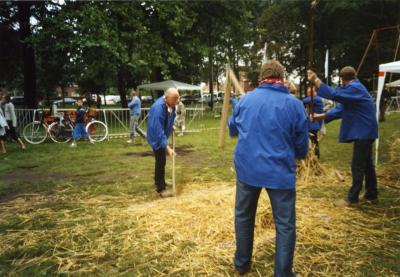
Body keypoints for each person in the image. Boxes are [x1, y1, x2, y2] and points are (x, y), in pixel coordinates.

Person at [228, 60, 309, 276]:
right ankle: (282, 273)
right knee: (285, 224)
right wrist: (299, 156)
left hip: (248, 169)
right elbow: (302, 142)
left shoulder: (246, 101)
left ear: (261, 77)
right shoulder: (294, 104)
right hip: (279, 170)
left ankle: (241, 264)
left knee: (244, 216)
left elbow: (232, 128)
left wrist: (237, 110)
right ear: (281, 78)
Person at [307, 66, 378, 207]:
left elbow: (335, 94)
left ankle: (352, 199)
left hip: (363, 132)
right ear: (354, 76)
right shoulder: (355, 89)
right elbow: (341, 109)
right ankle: (372, 194)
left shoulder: (354, 88)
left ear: (342, 79)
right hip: (366, 131)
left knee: (357, 165)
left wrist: (316, 80)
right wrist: (321, 116)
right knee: (367, 164)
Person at [147, 88, 180, 198]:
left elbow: (171, 116)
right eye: (174, 99)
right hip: (156, 137)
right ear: (166, 98)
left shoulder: (170, 104)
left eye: (177, 99)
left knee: (161, 161)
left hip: (162, 134)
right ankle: (161, 188)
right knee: (160, 161)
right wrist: (168, 148)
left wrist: (172, 126)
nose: (176, 102)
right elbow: (159, 130)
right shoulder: (158, 108)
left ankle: (160, 181)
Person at [302, 87, 323, 158]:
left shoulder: (316, 99)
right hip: (312, 123)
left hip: (314, 124)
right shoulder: (312, 100)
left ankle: (315, 156)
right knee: (313, 141)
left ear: (314, 92)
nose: (308, 94)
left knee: (313, 141)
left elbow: (303, 101)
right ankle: (314, 155)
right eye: (308, 92)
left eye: (309, 92)